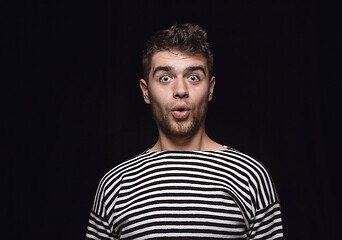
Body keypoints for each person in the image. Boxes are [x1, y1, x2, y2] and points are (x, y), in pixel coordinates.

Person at [85, 23, 284, 240]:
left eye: (193, 77)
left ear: (210, 88)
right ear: (146, 92)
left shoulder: (251, 177)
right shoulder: (115, 184)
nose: (180, 90)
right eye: (165, 78)